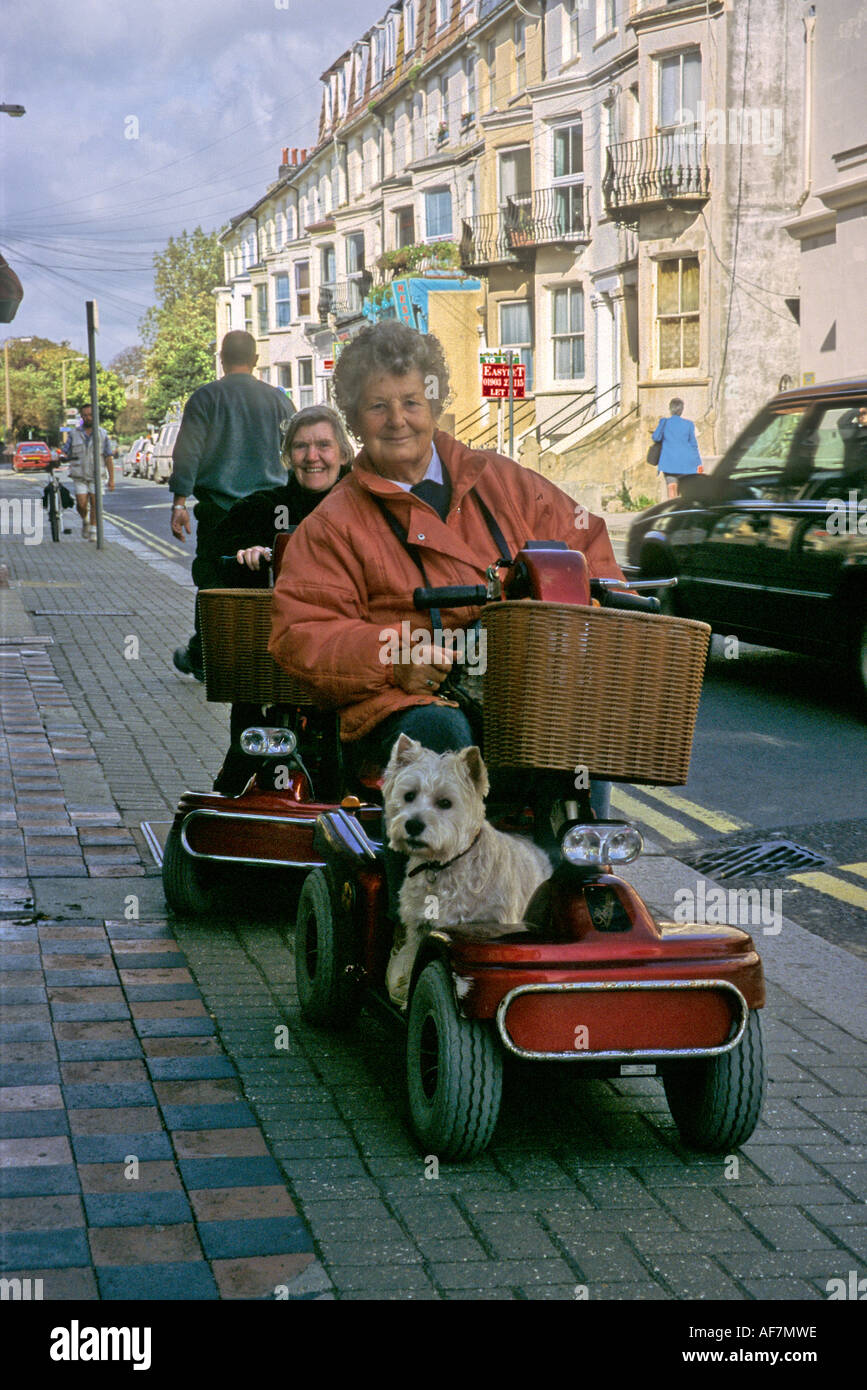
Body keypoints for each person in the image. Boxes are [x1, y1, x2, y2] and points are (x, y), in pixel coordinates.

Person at [269, 321, 624, 906]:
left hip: (516, 687)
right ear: (355, 421)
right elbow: (301, 634)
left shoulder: (503, 482)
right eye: (378, 406)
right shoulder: (332, 525)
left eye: (412, 400)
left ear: (435, 402)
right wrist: (393, 659)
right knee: (441, 743)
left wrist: (596, 608)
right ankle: (423, 914)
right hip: (404, 704)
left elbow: (589, 545)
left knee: (575, 730)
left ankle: (571, 890)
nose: (398, 418)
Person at [208, 406, 353, 793]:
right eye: (302, 447)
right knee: (252, 717)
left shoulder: (368, 503)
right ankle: (241, 775)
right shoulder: (263, 508)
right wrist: (246, 556)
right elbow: (212, 563)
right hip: (278, 659)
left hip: (352, 653)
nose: (313, 456)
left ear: (343, 451)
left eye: (324, 444)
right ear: (289, 456)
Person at [168, 330, 296, 681]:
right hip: (272, 511)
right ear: (256, 361)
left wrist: (180, 502)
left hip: (220, 511)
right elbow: (296, 449)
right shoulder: (279, 400)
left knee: (213, 583)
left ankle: (205, 656)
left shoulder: (206, 398)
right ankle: (267, 653)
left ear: (221, 359)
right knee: (270, 581)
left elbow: (188, 452)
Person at [64, 403, 115, 540]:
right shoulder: (73, 434)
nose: (88, 418)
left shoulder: (102, 434)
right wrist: (60, 456)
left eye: (90, 415)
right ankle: (85, 519)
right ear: (81, 417)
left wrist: (111, 479)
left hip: (96, 475)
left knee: (95, 503)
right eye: (85, 415)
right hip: (79, 475)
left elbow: (108, 457)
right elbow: (65, 451)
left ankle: (93, 530)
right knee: (81, 504)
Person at [652, 398, 702, 499]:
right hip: (687, 463)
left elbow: (655, 437)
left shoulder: (664, 423)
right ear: (682, 410)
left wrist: (661, 425)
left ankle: (673, 512)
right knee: (685, 491)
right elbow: (693, 445)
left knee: (671, 488)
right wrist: (698, 463)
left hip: (669, 462)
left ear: (670, 409)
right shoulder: (689, 424)